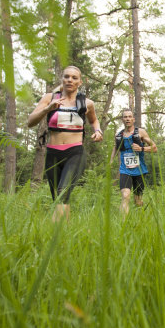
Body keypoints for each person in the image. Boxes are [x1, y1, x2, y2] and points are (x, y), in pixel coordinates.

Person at [27, 65, 103, 220]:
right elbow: (30, 122)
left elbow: (94, 120)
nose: (70, 80)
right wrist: (47, 109)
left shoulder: (86, 103)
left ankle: (56, 235)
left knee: (63, 191)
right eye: (66, 76)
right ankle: (64, 236)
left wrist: (98, 131)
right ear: (62, 79)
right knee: (59, 197)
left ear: (79, 82)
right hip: (52, 153)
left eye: (74, 78)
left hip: (74, 152)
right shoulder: (49, 98)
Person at [109, 109, 157, 215]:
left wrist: (142, 149)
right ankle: (123, 225)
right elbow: (115, 148)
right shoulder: (119, 135)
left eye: (129, 116)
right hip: (125, 170)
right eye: (125, 117)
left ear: (133, 119)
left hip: (139, 170)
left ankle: (140, 221)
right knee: (125, 196)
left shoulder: (141, 132)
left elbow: (154, 148)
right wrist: (111, 161)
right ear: (122, 120)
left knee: (138, 201)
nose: (127, 119)